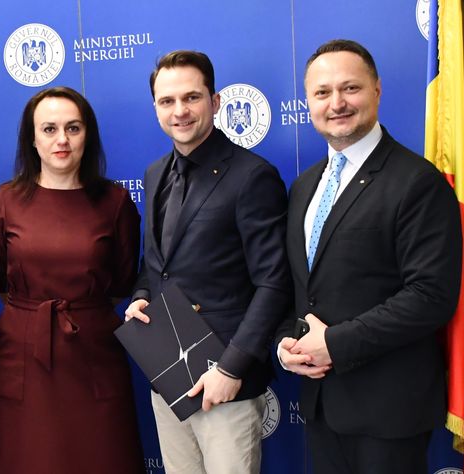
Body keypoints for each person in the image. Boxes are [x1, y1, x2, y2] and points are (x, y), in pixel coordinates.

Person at [277, 39, 462, 474]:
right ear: (308, 102)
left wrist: (335, 345)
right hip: (322, 406)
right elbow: (302, 287)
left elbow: (430, 296)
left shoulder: (417, 181)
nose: (336, 103)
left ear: (377, 90)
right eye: (322, 92)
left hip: (388, 413)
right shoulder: (304, 187)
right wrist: (285, 343)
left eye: (350, 88)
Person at [124, 50, 291, 473]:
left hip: (226, 383)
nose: (179, 111)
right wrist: (141, 294)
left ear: (215, 102)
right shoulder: (155, 173)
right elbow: (157, 261)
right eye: (167, 101)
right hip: (168, 374)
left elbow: (274, 282)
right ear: (155, 108)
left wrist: (231, 368)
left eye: (191, 97)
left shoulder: (252, 176)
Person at [0, 87, 144, 473]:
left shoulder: (115, 202)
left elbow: (123, 281)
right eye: (49, 129)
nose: (62, 140)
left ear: (88, 135)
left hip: (95, 355)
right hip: (23, 355)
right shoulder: (5, 202)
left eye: (73, 128)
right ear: (32, 138)